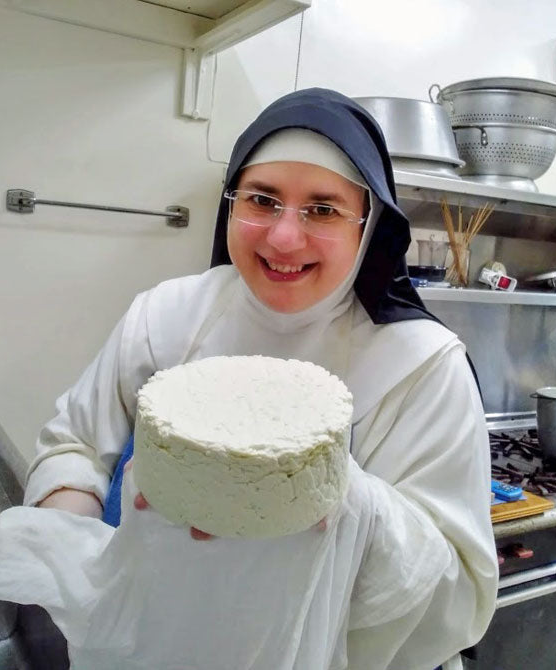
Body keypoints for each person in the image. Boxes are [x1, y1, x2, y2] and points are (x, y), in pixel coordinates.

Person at [24, 88, 498, 669]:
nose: (282, 237)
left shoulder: (422, 367)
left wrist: (342, 502)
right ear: (232, 202)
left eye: (322, 209)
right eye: (263, 200)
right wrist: (86, 563)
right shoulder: (166, 318)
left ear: (368, 225)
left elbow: (456, 601)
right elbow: (73, 443)